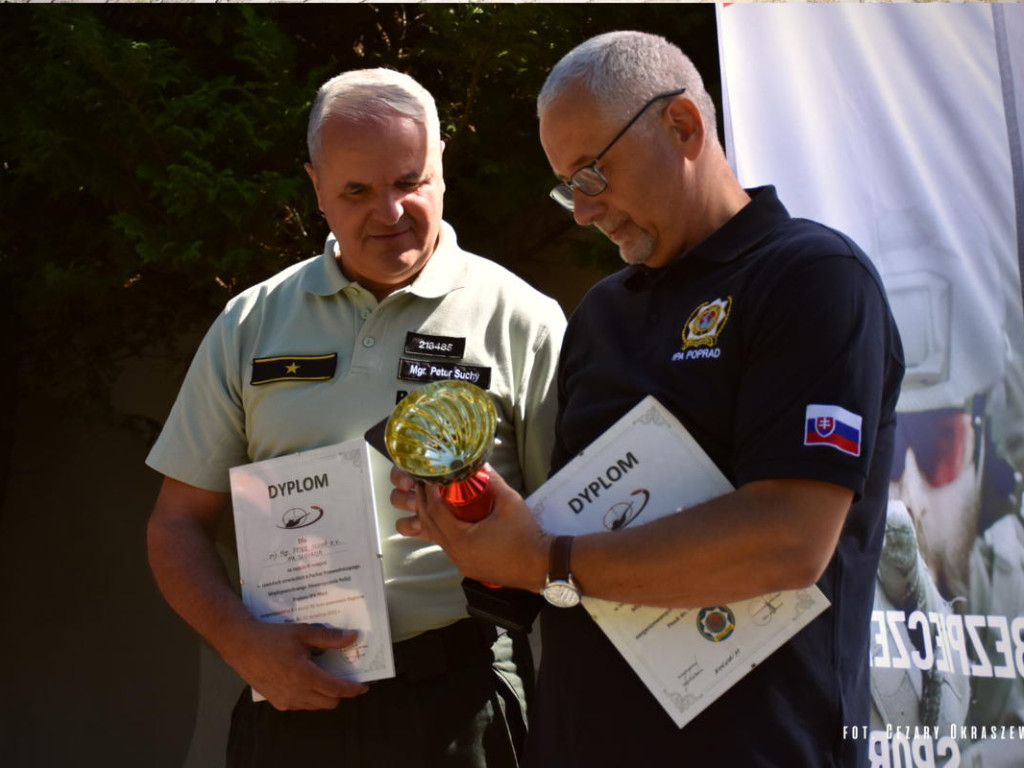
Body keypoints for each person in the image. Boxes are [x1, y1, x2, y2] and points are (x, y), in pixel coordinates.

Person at [390, 31, 904, 766]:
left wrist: (547, 559)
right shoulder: (602, 314)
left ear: (684, 125)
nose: (581, 211)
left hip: (759, 744)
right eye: (568, 185)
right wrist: (479, 534)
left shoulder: (812, 277)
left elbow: (789, 540)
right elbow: (568, 549)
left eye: (592, 174)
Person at [145, 67, 566, 767]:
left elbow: (575, 530)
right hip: (290, 692)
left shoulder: (523, 319)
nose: (390, 211)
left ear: (442, 166)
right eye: (357, 191)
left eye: (410, 182)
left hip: (464, 692)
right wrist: (240, 642)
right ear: (315, 186)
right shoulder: (251, 323)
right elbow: (176, 522)